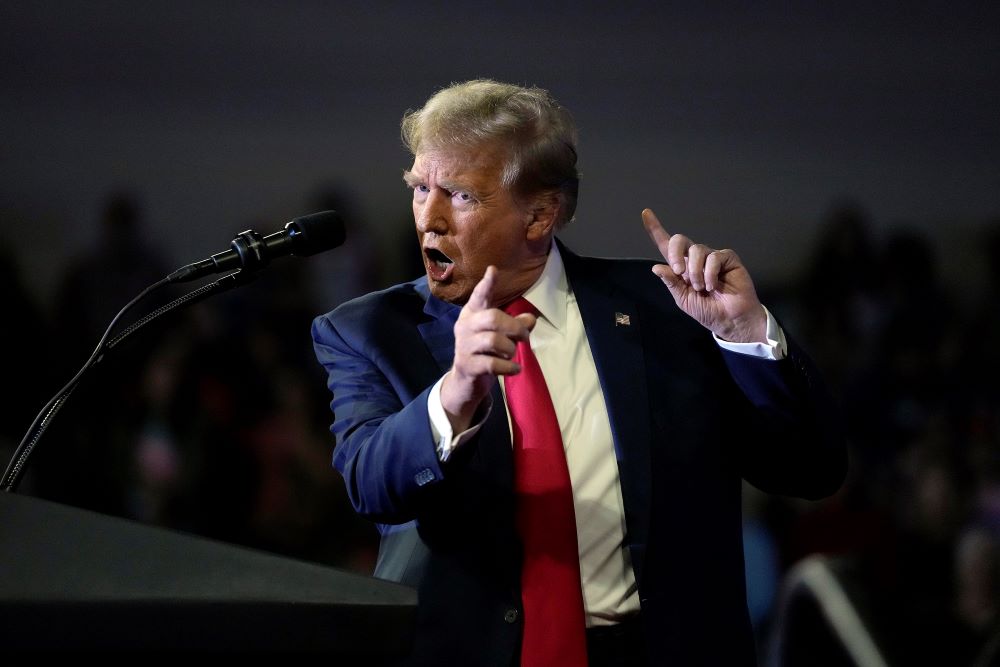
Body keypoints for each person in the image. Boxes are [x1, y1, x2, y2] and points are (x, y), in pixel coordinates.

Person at [311, 79, 847, 666]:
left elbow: (811, 469)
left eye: (460, 195)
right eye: (420, 188)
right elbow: (370, 485)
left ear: (540, 215)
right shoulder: (367, 331)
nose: (428, 219)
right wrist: (455, 393)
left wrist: (746, 337)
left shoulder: (667, 310)